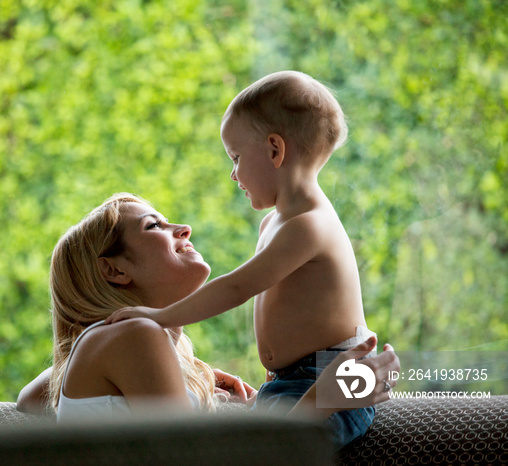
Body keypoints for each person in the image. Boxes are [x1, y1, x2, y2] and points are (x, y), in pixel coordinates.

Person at [104, 71, 379, 446]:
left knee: (278, 453)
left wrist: (159, 317)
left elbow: (237, 287)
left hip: (329, 382)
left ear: (274, 150)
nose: (233, 174)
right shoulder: (275, 222)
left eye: (235, 157)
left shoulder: (310, 226)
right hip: (289, 384)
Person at [18, 193, 399, 448]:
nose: (182, 229)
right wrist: (330, 395)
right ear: (114, 270)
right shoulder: (134, 335)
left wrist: (193, 378)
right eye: (154, 226)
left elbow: (32, 398)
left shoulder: (122, 342)